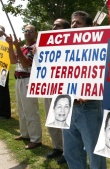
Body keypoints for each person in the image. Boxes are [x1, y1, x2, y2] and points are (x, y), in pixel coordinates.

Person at [62, 11, 107, 169]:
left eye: (78, 23)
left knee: (95, 154)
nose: (73, 25)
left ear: (88, 27)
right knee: (71, 151)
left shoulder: (100, 46)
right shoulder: (62, 48)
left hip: (89, 107)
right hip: (67, 106)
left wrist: (93, 92)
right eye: (72, 22)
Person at [6, 25, 42, 149]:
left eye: (30, 31)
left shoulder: (35, 47)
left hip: (28, 79)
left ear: (35, 33)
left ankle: (36, 138)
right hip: (19, 79)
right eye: (26, 31)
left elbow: (26, 64)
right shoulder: (23, 48)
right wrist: (11, 45)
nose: (27, 33)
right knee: (22, 109)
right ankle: (25, 133)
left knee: (31, 110)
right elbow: (12, 60)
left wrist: (17, 47)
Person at [43, 18, 70, 164]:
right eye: (53, 25)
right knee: (51, 120)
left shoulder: (73, 44)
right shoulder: (45, 43)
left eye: (57, 26)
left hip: (63, 89)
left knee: (63, 121)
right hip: (48, 87)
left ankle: (67, 151)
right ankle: (57, 147)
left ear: (65, 29)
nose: (54, 27)